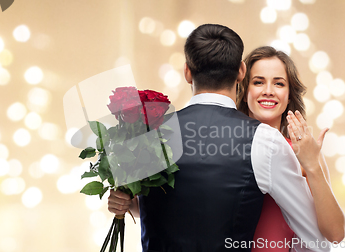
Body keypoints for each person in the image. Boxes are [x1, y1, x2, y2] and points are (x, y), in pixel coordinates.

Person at [108, 24, 331, 252]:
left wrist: (124, 202)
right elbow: (318, 240)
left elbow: (154, 210)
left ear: (187, 72)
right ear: (242, 71)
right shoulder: (266, 140)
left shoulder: (150, 132)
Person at [236, 46, 345, 251]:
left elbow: (335, 234)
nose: (268, 90)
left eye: (279, 83)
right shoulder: (227, 148)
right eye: (258, 82)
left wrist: (312, 165)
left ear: (288, 95)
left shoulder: (304, 152)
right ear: (244, 92)